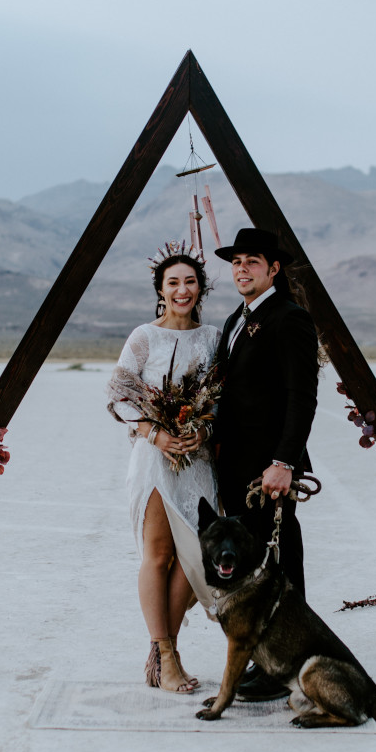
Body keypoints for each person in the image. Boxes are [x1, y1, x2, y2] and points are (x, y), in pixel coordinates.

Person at [211, 227, 320, 701]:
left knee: (280, 563)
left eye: (252, 261)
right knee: (255, 570)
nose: (242, 269)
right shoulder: (237, 317)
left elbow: (303, 397)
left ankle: (287, 663)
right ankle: (262, 657)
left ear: (274, 269)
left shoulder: (289, 318)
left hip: (268, 472)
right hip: (233, 467)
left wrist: (284, 462)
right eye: (236, 262)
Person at [107, 248, 221, 694]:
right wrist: (155, 434)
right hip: (154, 458)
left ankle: (160, 651)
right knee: (159, 556)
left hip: (196, 462)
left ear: (201, 289)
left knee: (196, 560)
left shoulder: (213, 338)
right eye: (173, 283)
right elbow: (118, 396)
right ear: (160, 290)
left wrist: (203, 430)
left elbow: (219, 399)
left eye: (189, 282)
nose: (181, 290)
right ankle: (167, 655)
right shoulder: (143, 337)